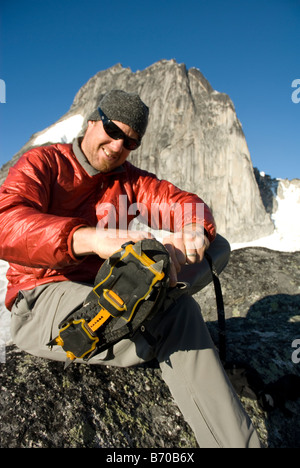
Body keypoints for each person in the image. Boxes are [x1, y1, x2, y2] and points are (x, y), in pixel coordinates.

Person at [0, 90, 261, 448]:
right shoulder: (43, 163)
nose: (117, 144)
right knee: (177, 316)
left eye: (130, 140)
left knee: (216, 244)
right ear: (93, 120)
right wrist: (87, 239)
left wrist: (191, 228)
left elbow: (182, 203)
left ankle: (150, 301)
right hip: (41, 295)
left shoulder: (128, 180)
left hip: (105, 288)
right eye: (112, 129)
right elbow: (7, 223)